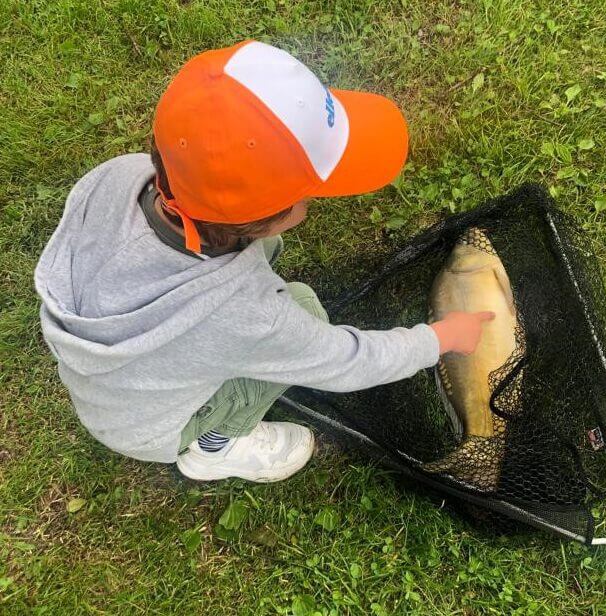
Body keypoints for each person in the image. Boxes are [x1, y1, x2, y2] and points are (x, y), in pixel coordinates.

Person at [34, 40, 494, 483]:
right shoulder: (252, 319)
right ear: (261, 221)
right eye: (307, 196)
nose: (313, 201)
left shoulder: (121, 175)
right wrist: (441, 337)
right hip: (154, 427)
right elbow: (348, 362)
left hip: (118, 381)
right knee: (305, 306)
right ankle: (216, 447)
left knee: (260, 308)